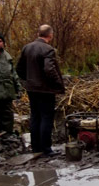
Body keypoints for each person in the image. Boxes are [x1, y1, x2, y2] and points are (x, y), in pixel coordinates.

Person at [16, 24, 65, 156]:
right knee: (46, 118)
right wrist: (57, 84)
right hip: (45, 89)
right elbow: (49, 69)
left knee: (35, 117)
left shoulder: (27, 47)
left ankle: (36, 147)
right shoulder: (48, 49)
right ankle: (46, 149)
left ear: (38, 34)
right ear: (50, 35)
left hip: (31, 88)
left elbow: (19, 68)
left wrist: (29, 80)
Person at [0, 32, 21, 136]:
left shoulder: (7, 56)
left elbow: (13, 73)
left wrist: (18, 87)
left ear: (3, 43)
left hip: (7, 92)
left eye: (0, 41)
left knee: (8, 116)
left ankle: (7, 136)